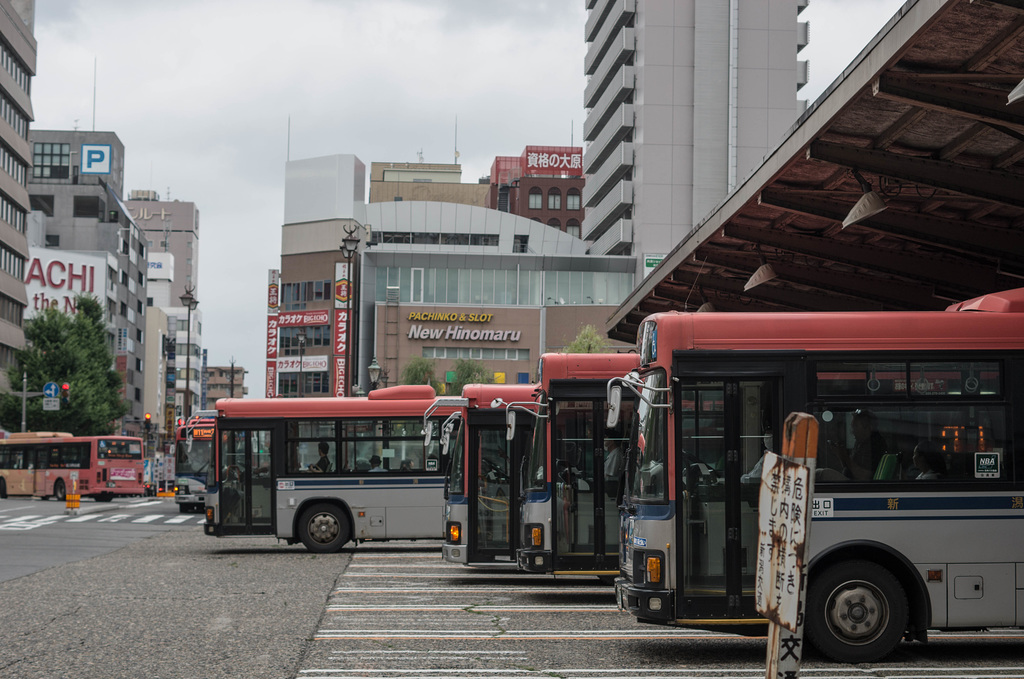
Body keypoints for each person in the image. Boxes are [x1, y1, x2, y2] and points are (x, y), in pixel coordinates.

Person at [833, 409, 887, 480]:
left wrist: (846, 457)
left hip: (859, 486)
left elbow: (864, 476)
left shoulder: (873, 445)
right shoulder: (860, 442)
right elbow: (850, 468)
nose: (852, 431)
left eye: (855, 426)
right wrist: (841, 455)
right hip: (850, 481)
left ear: (868, 427)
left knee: (822, 474)